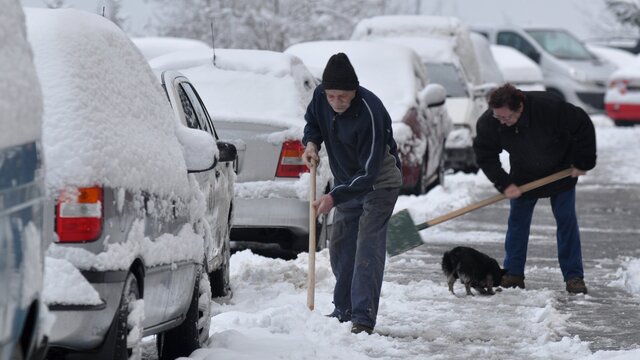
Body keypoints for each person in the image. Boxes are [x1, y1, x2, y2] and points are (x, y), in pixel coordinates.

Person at [302, 53, 402, 334]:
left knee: (367, 248)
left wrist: (334, 196)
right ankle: (343, 310)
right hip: (347, 185)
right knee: (341, 247)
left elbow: (369, 172)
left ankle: (362, 318)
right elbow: (313, 123)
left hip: (378, 185)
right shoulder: (320, 97)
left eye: (342, 97)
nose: (336, 103)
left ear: (354, 90)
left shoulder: (370, 111)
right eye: (331, 96)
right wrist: (311, 143)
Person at [473, 83, 596, 294]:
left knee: (566, 221)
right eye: (498, 117)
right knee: (518, 223)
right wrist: (505, 183)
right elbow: (485, 155)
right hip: (524, 176)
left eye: (506, 117)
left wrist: (583, 162)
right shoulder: (490, 122)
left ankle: (574, 277)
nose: (502, 121)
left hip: (561, 170)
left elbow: (582, 125)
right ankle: (513, 274)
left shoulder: (549, 108)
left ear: (520, 108)